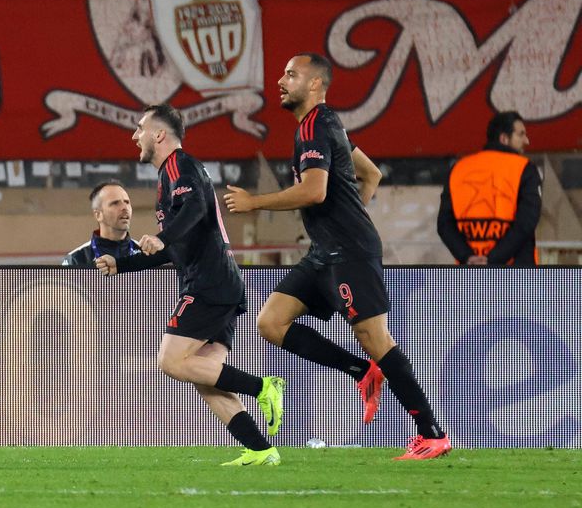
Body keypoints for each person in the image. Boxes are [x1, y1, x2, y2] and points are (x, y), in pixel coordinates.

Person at [224, 53, 452, 461]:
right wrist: (342, 221)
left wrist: (255, 202)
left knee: (375, 339)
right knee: (271, 322)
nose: (280, 80)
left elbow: (314, 191)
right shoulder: (325, 125)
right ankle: (361, 371)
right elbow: (371, 174)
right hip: (326, 252)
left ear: (315, 85)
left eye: (291, 74)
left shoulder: (315, 125)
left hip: (348, 252)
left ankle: (431, 433)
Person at [97, 105, 285, 467]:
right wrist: (122, 263)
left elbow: (195, 208)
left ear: (159, 135)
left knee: (169, 361)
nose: (134, 135)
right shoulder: (171, 175)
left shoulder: (180, 166)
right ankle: (261, 449)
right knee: (205, 375)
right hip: (219, 282)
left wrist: (164, 236)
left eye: (139, 128)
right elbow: (172, 248)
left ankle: (264, 387)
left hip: (209, 283)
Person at [436, 111, 540, 266]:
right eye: (521, 134)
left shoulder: (459, 168)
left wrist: (468, 257)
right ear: (504, 138)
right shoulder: (524, 168)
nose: (527, 140)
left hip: (469, 275)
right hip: (517, 275)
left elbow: (444, 224)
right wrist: (493, 260)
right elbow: (527, 221)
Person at [62, 180, 142, 266]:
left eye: (127, 202)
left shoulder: (146, 255)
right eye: (115, 203)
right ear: (98, 215)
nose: (124, 207)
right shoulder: (77, 259)